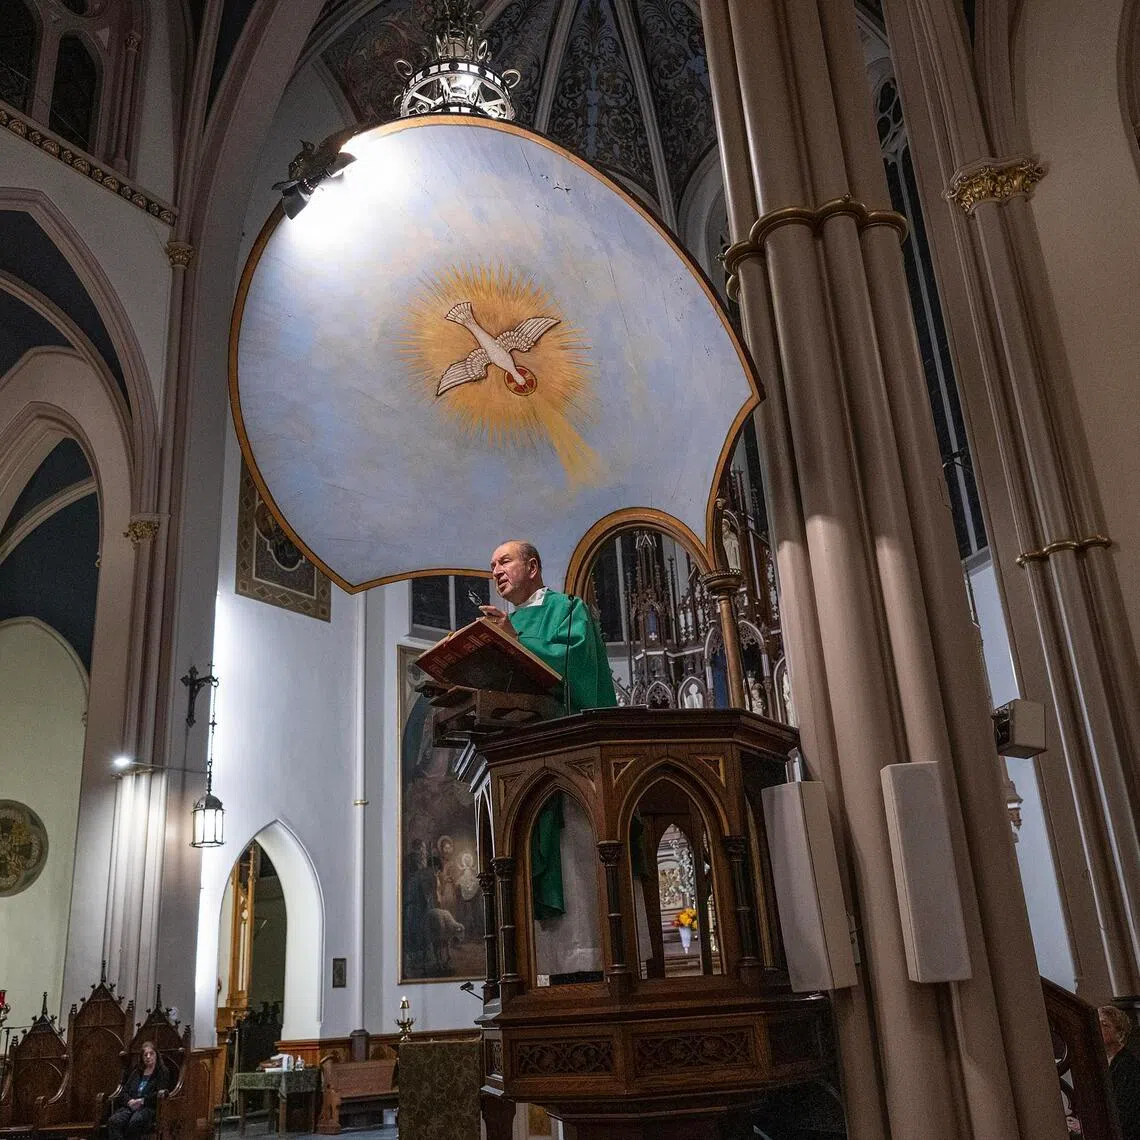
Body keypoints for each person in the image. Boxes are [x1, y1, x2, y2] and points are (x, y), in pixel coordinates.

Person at [480, 540, 617, 714]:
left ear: (532, 567)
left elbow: (573, 662)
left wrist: (515, 640)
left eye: (505, 562)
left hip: (563, 727)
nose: (496, 572)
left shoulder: (567, 606)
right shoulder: (505, 622)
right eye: (493, 567)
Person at [108, 1040, 171, 1140]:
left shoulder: (162, 1072)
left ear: (156, 1055)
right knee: (114, 1121)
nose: (148, 1057)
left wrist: (142, 1101)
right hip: (131, 1106)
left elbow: (160, 1093)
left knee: (135, 1121)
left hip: (148, 1107)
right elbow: (124, 1091)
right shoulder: (137, 1071)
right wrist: (130, 1102)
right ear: (142, 1057)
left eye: (151, 1054)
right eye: (145, 1055)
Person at [1100, 1004, 1140, 1139]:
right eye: (1096, 1023)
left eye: (1104, 1025)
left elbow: (1126, 1113)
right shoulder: (1103, 1060)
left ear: (1120, 1034)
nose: (1098, 1028)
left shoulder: (1128, 1065)